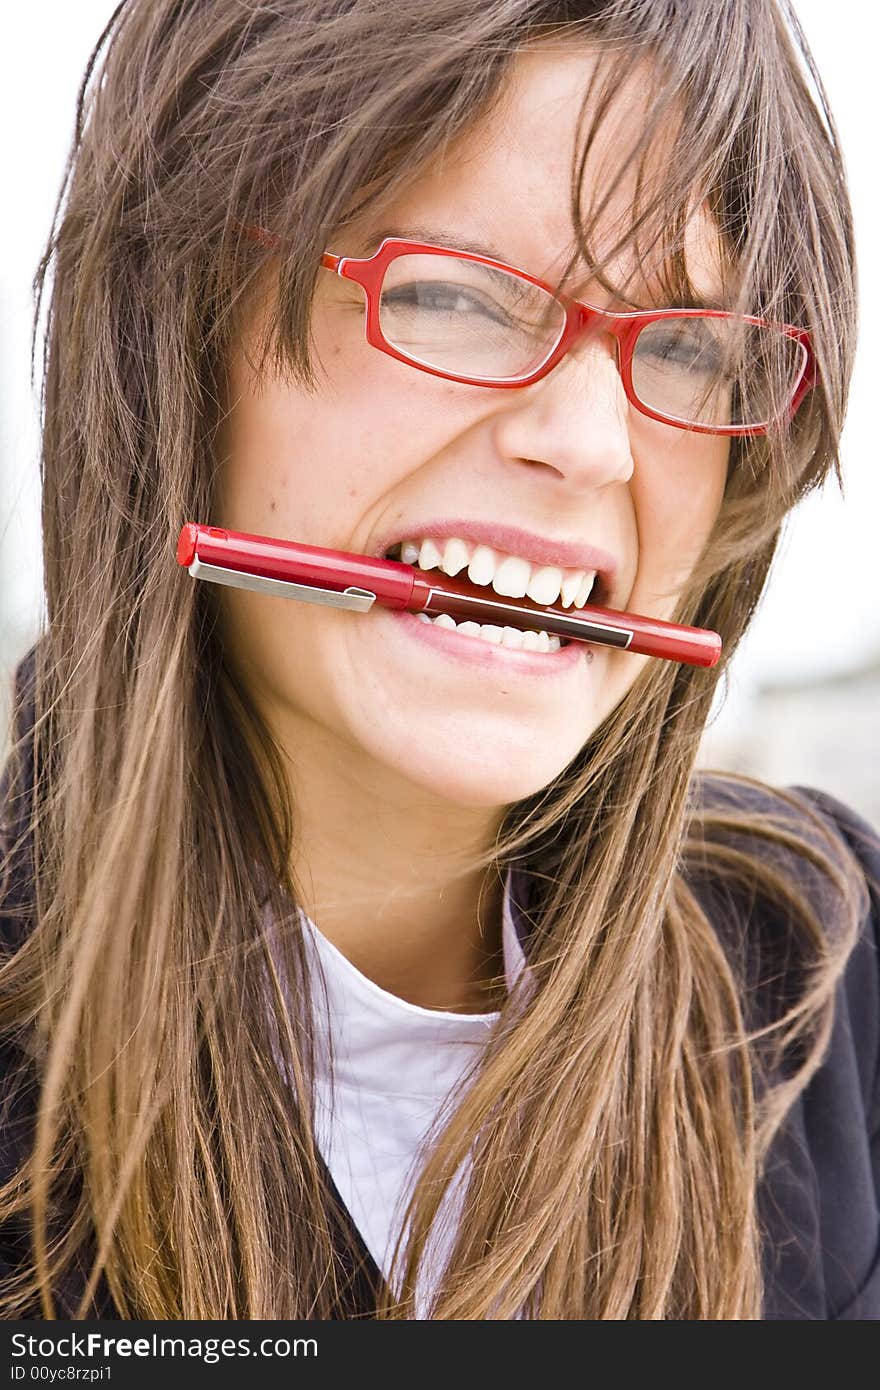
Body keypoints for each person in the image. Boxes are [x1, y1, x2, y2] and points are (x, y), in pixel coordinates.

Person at [1, 0, 877, 1321]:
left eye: (689, 345)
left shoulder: (828, 965)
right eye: (456, 295)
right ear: (173, 336)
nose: (593, 446)